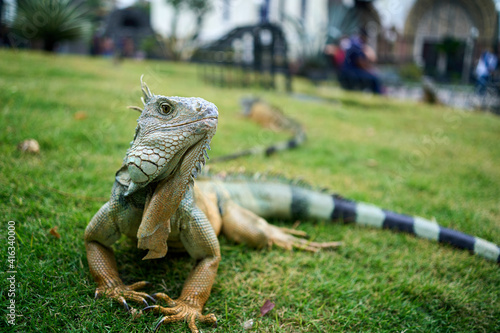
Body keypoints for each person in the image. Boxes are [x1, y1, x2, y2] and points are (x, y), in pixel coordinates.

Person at [339, 29, 383, 94]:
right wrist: (370, 70)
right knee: (374, 78)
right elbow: (360, 63)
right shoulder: (357, 45)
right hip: (351, 73)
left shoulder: (354, 43)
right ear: (363, 36)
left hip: (347, 72)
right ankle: (379, 94)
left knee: (373, 76)